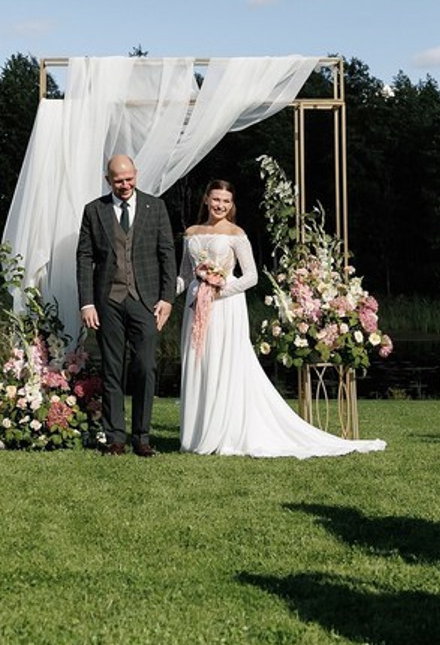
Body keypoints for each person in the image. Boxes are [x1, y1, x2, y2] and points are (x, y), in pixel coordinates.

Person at [178, 178, 386, 457]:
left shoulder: (236, 233)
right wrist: (167, 297)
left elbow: (251, 276)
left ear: (232, 204)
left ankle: (222, 431)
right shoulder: (191, 233)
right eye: (216, 200)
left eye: (226, 201)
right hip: (196, 306)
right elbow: (183, 274)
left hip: (225, 305)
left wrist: (221, 288)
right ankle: (196, 434)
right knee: (198, 362)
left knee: (221, 363)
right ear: (206, 199)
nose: (220, 206)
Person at [76, 154, 176, 456]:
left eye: (129, 178)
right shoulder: (94, 210)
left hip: (145, 301)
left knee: (145, 367)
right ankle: (115, 436)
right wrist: (87, 303)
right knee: (112, 369)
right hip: (108, 301)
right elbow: (84, 258)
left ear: (136, 174)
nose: (125, 185)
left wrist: (168, 298)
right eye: (118, 180)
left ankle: (142, 438)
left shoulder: (155, 207)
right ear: (108, 180)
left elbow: (167, 254)